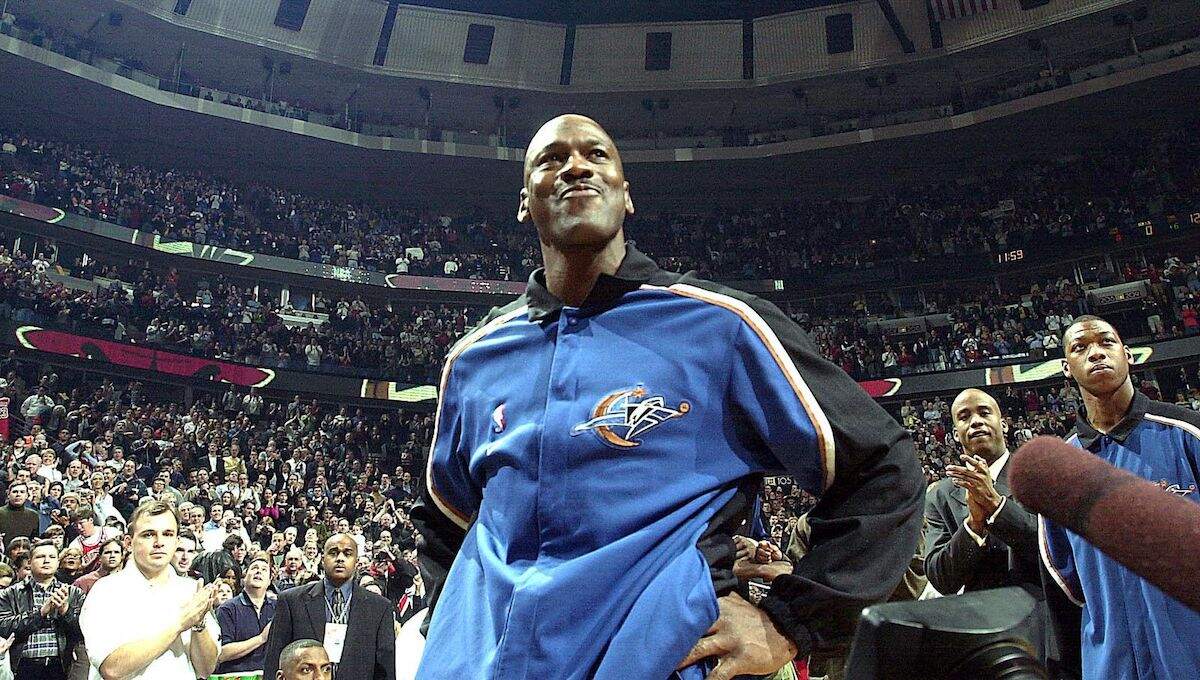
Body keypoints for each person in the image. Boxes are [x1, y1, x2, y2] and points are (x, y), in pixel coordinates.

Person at [412, 115, 924, 680]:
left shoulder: (721, 325)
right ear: (524, 202)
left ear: (626, 196)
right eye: (551, 159)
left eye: (596, 155)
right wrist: (450, 631)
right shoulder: (474, 358)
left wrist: (791, 623)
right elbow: (445, 520)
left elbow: (883, 466)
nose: (576, 166)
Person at [1041, 315, 1200, 679]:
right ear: (1067, 368)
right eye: (1080, 347)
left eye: (1106, 342)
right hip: (1110, 666)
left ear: (1128, 354)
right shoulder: (1059, 469)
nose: (1095, 353)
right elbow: (1066, 588)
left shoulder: (1189, 433)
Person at [924, 389, 1050, 661]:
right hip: (979, 635)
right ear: (956, 433)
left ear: (1003, 423)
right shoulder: (941, 495)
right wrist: (973, 524)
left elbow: (1055, 550)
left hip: (1042, 628)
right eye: (964, 417)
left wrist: (996, 505)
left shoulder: (1040, 472)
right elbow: (940, 577)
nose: (976, 421)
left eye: (984, 412)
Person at [78, 500, 221, 679]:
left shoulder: (191, 590)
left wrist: (199, 624)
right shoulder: (105, 591)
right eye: (148, 534)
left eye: (168, 534)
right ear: (129, 543)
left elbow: (206, 669)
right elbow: (112, 669)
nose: (159, 542)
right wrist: (181, 623)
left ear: (176, 541)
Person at [262, 534, 394, 680]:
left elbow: (385, 667)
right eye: (333, 552)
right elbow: (274, 659)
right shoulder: (291, 601)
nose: (340, 558)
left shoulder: (380, 607)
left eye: (347, 554)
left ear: (356, 562)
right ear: (323, 559)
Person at [0, 540, 84, 680]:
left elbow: (82, 632)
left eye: (52, 557)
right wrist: (40, 613)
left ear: (58, 562)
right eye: (40, 557)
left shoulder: (74, 593)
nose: (46, 561)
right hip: (23, 668)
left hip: (61, 667)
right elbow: (4, 628)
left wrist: (65, 612)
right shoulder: (9, 594)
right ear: (29, 562)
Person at [214, 552, 276, 675]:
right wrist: (261, 639)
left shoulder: (278, 607)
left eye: (264, 570)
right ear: (244, 577)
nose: (259, 571)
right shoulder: (227, 609)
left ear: (269, 581)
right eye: (254, 568)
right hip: (236, 676)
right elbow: (221, 654)